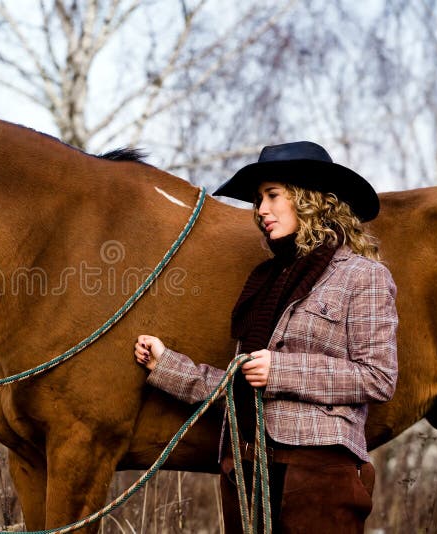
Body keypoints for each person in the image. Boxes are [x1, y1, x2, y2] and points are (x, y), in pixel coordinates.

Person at [134, 141, 398, 533]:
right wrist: (165, 365)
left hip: (317, 474)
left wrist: (283, 372)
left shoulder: (362, 276)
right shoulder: (265, 282)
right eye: (258, 200)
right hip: (245, 470)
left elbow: (378, 377)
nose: (260, 211)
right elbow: (241, 382)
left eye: (272, 196)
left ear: (310, 199)